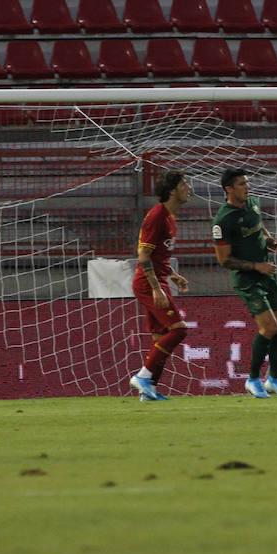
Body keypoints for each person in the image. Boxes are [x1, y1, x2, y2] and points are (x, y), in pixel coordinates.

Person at [213, 167, 277, 399]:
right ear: (229, 189)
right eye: (241, 184)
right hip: (247, 280)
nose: (247, 187)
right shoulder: (223, 220)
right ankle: (253, 379)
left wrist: (272, 242)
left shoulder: (253, 203)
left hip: (267, 275)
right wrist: (257, 266)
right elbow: (224, 260)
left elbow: (259, 228)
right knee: (268, 327)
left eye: (247, 183)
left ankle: (274, 379)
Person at [127, 170, 191, 403]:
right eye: (184, 184)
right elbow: (143, 256)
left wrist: (172, 275)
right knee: (179, 329)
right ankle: (143, 377)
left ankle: (149, 390)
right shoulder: (156, 216)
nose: (189, 188)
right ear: (173, 190)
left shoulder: (169, 218)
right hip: (147, 283)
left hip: (158, 279)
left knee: (160, 336)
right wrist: (156, 288)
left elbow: (157, 256)